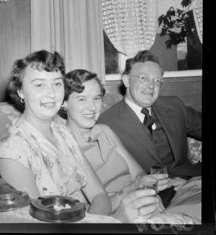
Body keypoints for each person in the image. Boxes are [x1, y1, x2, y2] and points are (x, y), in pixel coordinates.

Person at [0, 50, 112, 216]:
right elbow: (41, 223)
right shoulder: (10, 151)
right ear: (20, 91)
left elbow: (100, 196)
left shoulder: (64, 134)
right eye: (40, 85)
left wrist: (97, 224)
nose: (52, 94)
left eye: (57, 84)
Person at [59, 68, 170, 222]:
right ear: (64, 103)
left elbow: (139, 175)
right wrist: (131, 190)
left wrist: (151, 190)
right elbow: (86, 213)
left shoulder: (105, 130)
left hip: (141, 202)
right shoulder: (62, 147)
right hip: (115, 217)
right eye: (82, 99)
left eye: (97, 98)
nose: (92, 107)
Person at [97, 50, 202, 180]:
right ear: (126, 81)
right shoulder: (107, 123)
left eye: (157, 81)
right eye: (143, 78)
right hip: (150, 193)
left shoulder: (175, 107)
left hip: (192, 180)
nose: (151, 86)